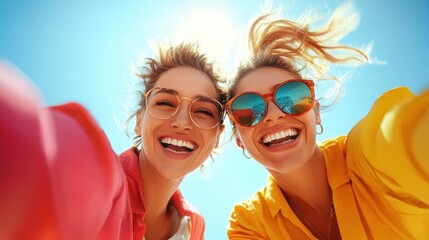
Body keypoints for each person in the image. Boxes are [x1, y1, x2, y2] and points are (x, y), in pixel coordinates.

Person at [225, 3, 429, 240]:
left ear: (316, 112)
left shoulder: (365, 158)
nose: (273, 114)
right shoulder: (249, 223)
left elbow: (402, 136)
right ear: (238, 138)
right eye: (248, 109)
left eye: (291, 96)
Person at [0, 42, 226, 240]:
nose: (182, 122)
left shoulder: (194, 225)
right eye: (165, 103)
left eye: (203, 112)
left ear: (217, 136)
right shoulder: (101, 175)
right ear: (139, 120)